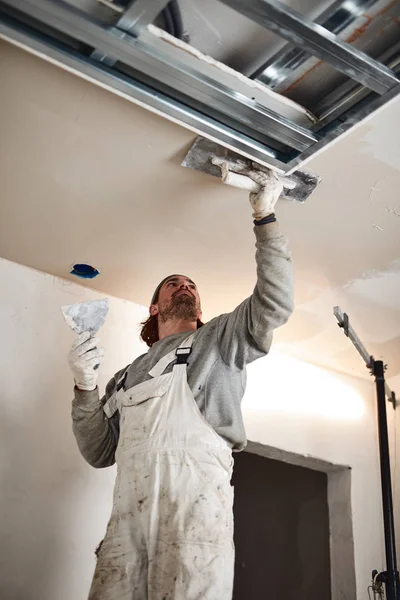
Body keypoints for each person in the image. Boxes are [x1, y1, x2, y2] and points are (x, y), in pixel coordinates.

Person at [68, 169, 294, 600]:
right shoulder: (126, 377)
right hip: (127, 523)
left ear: (199, 304)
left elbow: (275, 301)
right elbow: (98, 451)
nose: (184, 285)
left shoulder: (220, 340)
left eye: (191, 284)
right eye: (174, 283)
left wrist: (265, 219)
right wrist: (85, 387)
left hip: (195, 513)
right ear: (155, 306)